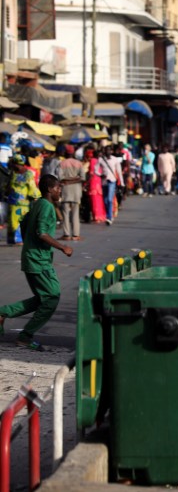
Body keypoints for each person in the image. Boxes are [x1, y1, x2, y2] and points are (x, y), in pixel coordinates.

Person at [0, 174, 73, 351]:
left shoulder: (37, 203)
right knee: (52, 298)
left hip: (32, 257)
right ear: (50, 189)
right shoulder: (46, 206)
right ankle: (25, 337)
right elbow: (41, 232)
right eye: (57, 188)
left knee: (43, 298)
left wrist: (29, 245)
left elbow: (24, 224)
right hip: (39, 261)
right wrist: (62, 247)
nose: (59, 191)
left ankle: (4, 313)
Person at [5, 154, 40, 245]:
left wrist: (36, 197)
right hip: (12, 201)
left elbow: (32, 187)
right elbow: (9, 184)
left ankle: (19, 239)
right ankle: (12, 239)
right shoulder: (13, 173)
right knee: (11, 220)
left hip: (22, 202)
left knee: (19, 220)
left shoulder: (28, 174)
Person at [58, 145, 85, 241]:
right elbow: (82, 177)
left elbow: (60, 178)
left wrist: (68, 181)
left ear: (65, 153)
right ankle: (76, 235)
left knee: (65, 213)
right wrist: (75, 178)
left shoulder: (62, 163)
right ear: (73, 153)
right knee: (75, 213)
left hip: (66, 191)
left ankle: (66, 234)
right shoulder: (79, 163)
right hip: (76, 191)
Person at [97, 146, 123, 225]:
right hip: (104, 181)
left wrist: (121, 182)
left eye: (109, 150)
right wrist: (100, 175)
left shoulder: (115, 159)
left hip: (112, 180)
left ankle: (109, 217)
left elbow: (119, 171)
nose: (107, 152)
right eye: (106, 150)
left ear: (111, 151)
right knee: (105, 200)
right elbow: (95, 170)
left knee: (109, 199)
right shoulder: (101, 160)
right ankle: (108, 215)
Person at [85, 148, 106, 223]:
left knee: (94, 199)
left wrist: (87, 183)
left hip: (94, 181)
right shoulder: (100, 160)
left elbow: (91, 172)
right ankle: (101, 215)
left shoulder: (92, 160)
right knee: (99, 199)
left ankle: (96, 216)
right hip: (99, 181)